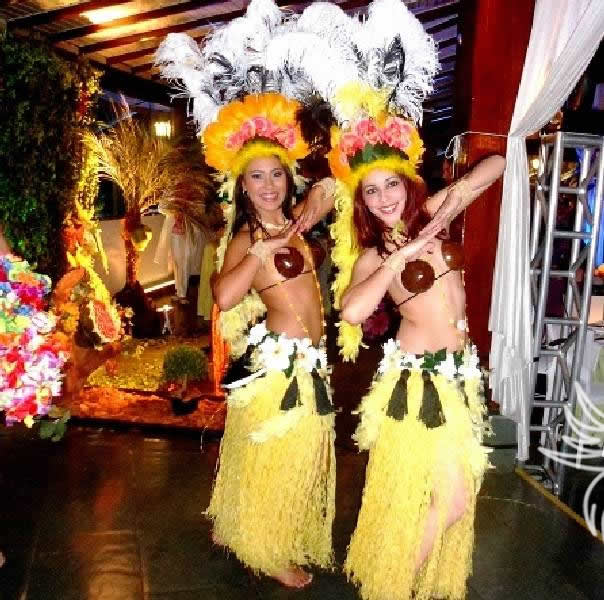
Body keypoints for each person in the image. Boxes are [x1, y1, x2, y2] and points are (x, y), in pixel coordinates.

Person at [327, 102, 505, 599]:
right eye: (371, 190)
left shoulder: (430, 214)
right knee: (450, 500)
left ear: (408, 185)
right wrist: (399, 257)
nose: (384, 197)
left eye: (392, 184)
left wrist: (444, 211)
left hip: (457, 376)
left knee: (447, 498)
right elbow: (352, 311)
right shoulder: (373, 256)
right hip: (418, 383)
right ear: (362, 201)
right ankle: (391, 588)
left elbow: (497, 164)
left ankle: (394, 582)